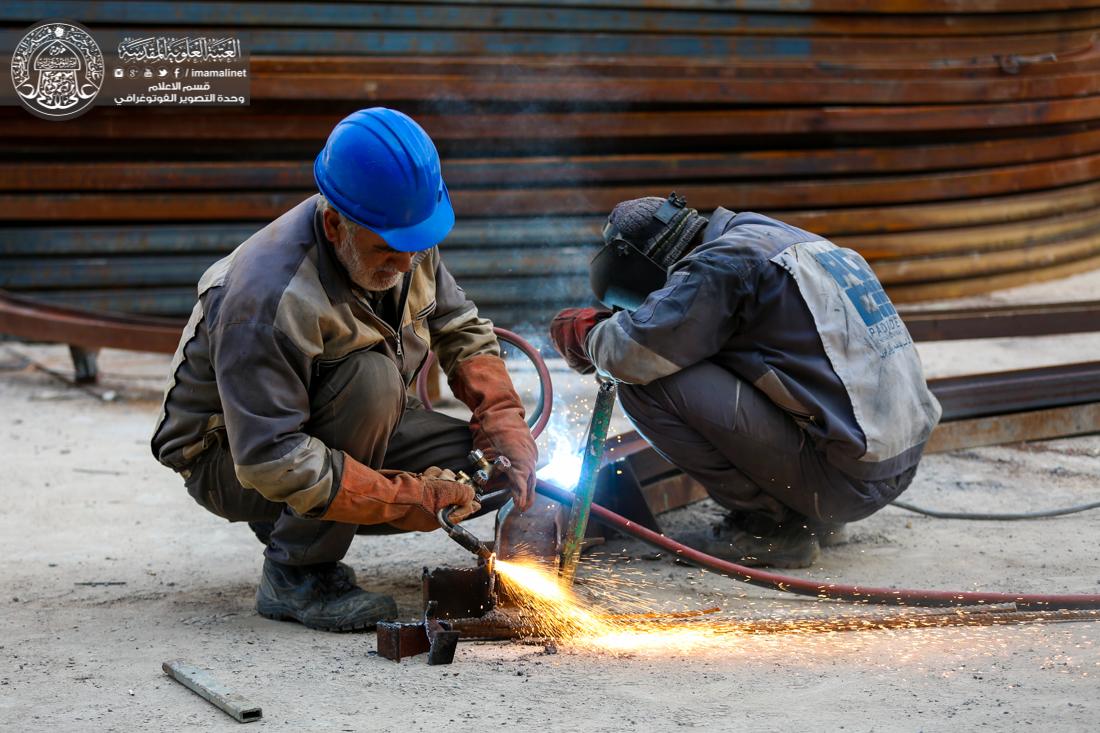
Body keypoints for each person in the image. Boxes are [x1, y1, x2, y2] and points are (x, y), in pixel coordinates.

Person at [151, 108, 537, 631]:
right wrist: (405, 498)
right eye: (389, 251)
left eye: (416, 246)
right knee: (371, 382)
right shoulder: (266, 296)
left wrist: (502, 417)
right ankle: (296, 575)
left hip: (335, 422)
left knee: (476, 472)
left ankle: (299, 521)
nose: (408, 264)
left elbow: (457, 323)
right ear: (335, 225)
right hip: (232, 458)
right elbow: (270, 457)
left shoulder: (400, 232)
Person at [549, 193, 941, 568]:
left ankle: (772, 529)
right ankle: (812, 514)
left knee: (646, 382)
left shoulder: (723, 264)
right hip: (892, 467)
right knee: (696, 350)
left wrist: (588, 335)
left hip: (846, 483)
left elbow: (632, 355)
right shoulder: (768, 235)